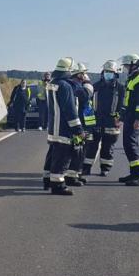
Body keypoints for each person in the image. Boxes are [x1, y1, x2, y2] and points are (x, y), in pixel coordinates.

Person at [42, 57, 84, 195]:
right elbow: (70, 110)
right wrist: (78, 129)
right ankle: (58, 185)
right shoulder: (65, 86)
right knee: (62, 157)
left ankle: (47, 180)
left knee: (52, 155)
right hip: (63, 129)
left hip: (53, 127)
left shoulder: (52, 83)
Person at [83, 60, 125, 176]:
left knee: (108, 148)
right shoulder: (95, 87)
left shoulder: (120, 89)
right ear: (102, 72)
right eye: (106, 71)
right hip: (95, 122)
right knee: (91, 146)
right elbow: (88, 106)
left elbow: (123, 106)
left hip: (112, 123)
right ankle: (86, 168)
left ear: (115, 74)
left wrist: (119, 119)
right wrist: (89, 124)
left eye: (110, 72)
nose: (108, 74)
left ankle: (105, 168)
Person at [118, 54, 139, 186]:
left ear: (133, 65)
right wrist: (121, 117)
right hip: (130, 116)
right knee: (128, 144)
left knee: (131, 144)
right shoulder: (133, 78)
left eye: (126, 65)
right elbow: (127, 100)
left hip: (135, 118)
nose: (124, 68)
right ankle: (134, 173)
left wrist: (138, 119)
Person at [66, 62, 92, 186]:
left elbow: (88, 108)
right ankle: (71, 177)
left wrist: (91, 125)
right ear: (79, 74)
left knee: (81, 151)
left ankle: (76, 174)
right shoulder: (76, 87)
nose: (85, 75)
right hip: (78, 124)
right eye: (84, 73)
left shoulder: (77, 86)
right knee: (77, 151)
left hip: (84, 123)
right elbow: (86, 96)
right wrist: (88, 84)